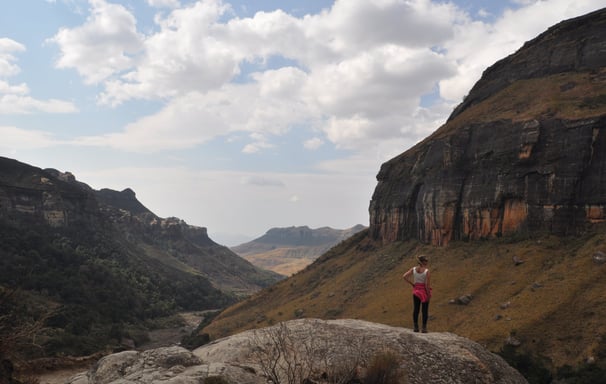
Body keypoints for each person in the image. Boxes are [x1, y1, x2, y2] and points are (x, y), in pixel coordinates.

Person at [402, 255, 431, 333]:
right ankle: (424, 328)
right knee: (424, 310)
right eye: (426, 261)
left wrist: (412, 284)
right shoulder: (426, 271)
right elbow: (427, 285)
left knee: (416, 309)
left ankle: (415, 327)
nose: (427, 262)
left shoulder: (414, 269)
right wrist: (428, 294)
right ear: (423, 262)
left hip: (416, 290)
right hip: (423, 291)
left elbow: (404, 276)